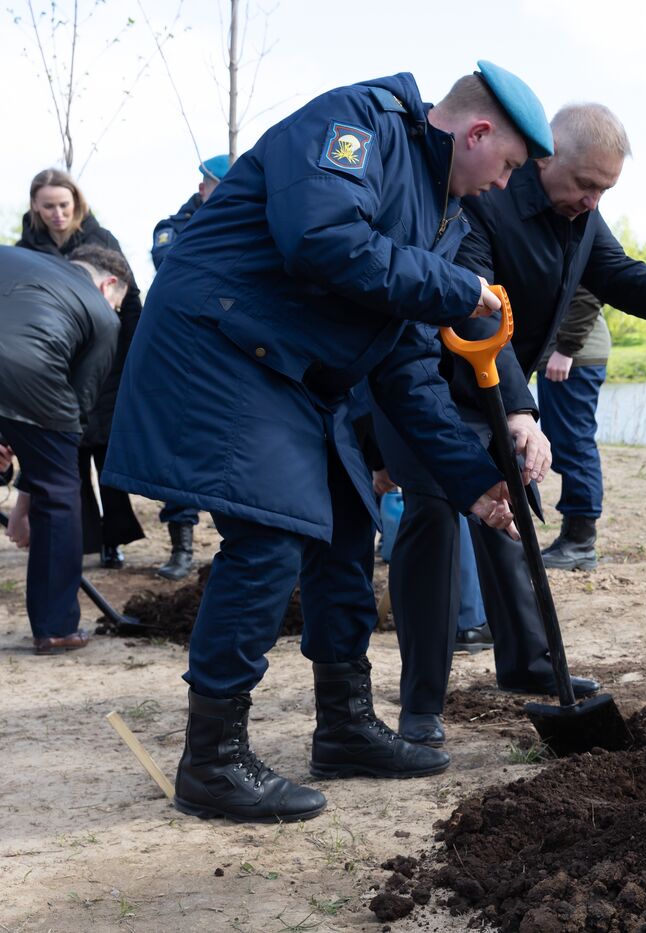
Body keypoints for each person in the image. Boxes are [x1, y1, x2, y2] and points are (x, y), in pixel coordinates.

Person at [102, 64, 550, 824]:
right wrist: (456, 290)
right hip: (221, 342)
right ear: (476, 133)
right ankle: (211, 758)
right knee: (272, 531)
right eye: (507, 166)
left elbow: (407, 362)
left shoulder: (441, 210)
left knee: (347, 523)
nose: (504, 186)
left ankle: (344, 726)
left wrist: (476, 482)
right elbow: (321, 238)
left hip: (303, 374)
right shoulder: (357, 124)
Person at [376, 102, 646, 747]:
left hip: (495, 384)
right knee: (433, 523)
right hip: (428, 383)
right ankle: (421, 705)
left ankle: (529, 665)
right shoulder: (485, 204)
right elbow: (479, 312)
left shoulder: (583, 217)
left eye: (606, 188)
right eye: (585, 184)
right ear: (545, 159)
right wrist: (520, 409)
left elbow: (617, 274)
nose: (593, 199)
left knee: (512, 514)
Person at [0, 245, 128, 653]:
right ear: (109, 284)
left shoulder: (14, 257)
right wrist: (30, 501)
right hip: (27, 370)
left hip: (16, 372)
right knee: (60, 494)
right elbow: (72, 415)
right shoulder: (104, 313)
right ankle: (55, 627)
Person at [19, 169, 146, 570]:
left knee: (108, 461)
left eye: (64, 205)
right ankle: (81, 540)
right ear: (36, 208)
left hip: (107, 365)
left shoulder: (100, 240)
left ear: (77, 204)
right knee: (66, 463)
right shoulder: (29, 248)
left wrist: (130, 362)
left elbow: (129, 302)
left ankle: (114, 540)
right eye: (48, 206)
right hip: (54, 369)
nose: (57, 214)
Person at [147, 153, 233, 581]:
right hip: (182, 355)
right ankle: (181, 546)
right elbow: (177, 268)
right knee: (180, 451)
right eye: (220, 187)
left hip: (230, 357)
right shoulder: (175, 228)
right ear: (204, 188)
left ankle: (232, 546)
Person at [537, 286, 610, 570]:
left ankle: (581, 542)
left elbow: (590, 293)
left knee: (574, 444)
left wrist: (566, 348)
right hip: (560, 354)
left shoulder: (570, 241)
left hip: (573, 356)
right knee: (562, 442)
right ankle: (572, 535)